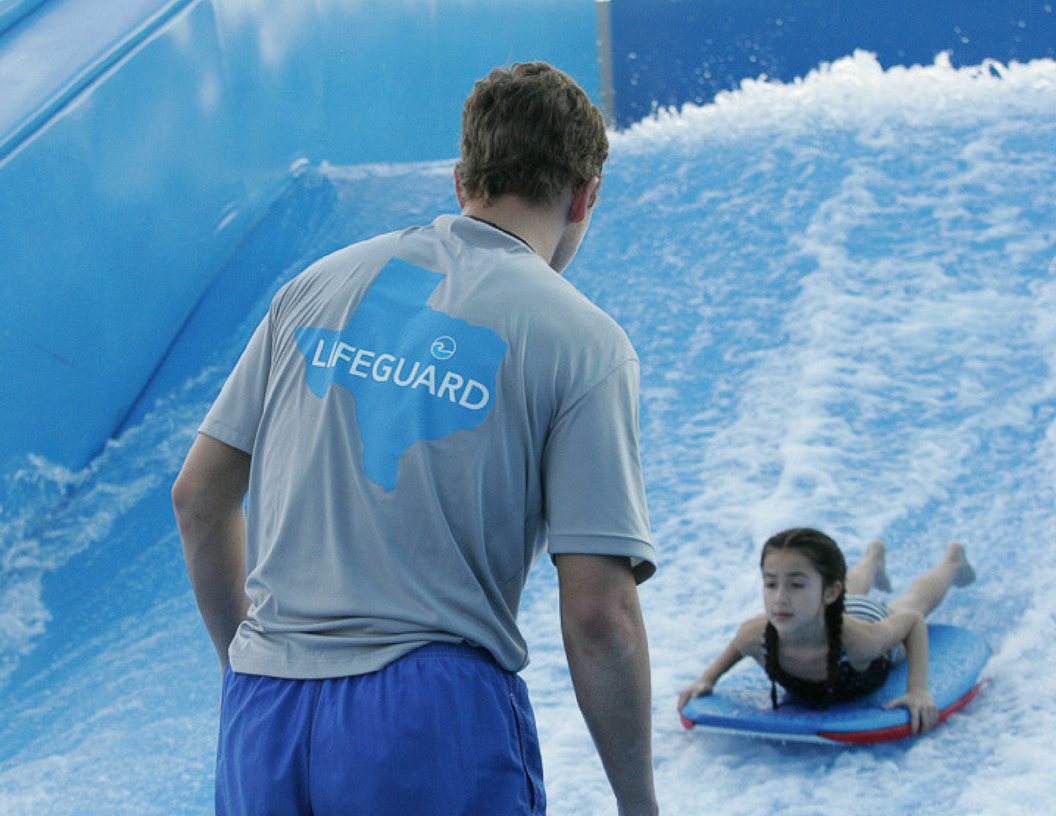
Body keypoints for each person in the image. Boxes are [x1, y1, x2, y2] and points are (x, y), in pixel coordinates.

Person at [172, 61, 659, 816]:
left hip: (265, 711)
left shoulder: (317, 285)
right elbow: (600, 613)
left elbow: (199, 495)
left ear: (462, 178)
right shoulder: (583, 340)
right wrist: (639, 804)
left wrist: (250, 670)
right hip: (429, 716)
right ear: (584, 194)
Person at [677, 528, 975, 734]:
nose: (780, 597)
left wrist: (918, 690)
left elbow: (912, 622)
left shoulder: (859, 642)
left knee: (912, 602)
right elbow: (738, 646)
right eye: (770, 583)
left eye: (795, 584)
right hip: (823, 612)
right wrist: (707, 678)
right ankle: (873, 557)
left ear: (829, 593)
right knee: (848, 590)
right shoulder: (755, 634)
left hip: (865, 621)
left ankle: (952, 561)